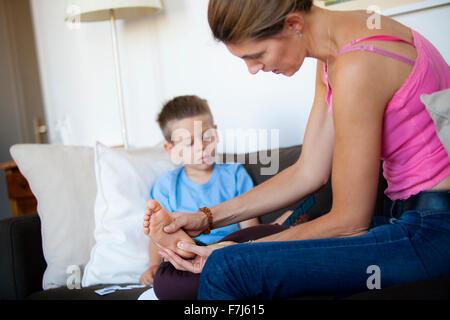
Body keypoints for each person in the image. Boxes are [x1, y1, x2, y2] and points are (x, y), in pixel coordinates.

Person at [145, 0, 450, 299]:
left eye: (256, 54)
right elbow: (309, 172)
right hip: (412, 218)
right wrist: (205, 218)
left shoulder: (358, 62)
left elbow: (349, 221)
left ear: (293, 24)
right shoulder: (336, 54)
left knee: (230, 266)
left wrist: (241, 252)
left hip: (432, 232)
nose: (252, 69)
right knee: (248, 237)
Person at [140, 95, 283, 299]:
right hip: (189, 257)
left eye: (206, 136)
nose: (201, 146)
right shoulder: (166, 185)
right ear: (171, 149)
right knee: (165, 279)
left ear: (215, 133)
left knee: (253, 242)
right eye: (189, 143)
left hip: (231, 248)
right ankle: (189, 251)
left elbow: (250, 228)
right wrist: (153, 266)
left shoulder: (234, 174)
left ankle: (277, 229)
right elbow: (156, 239)